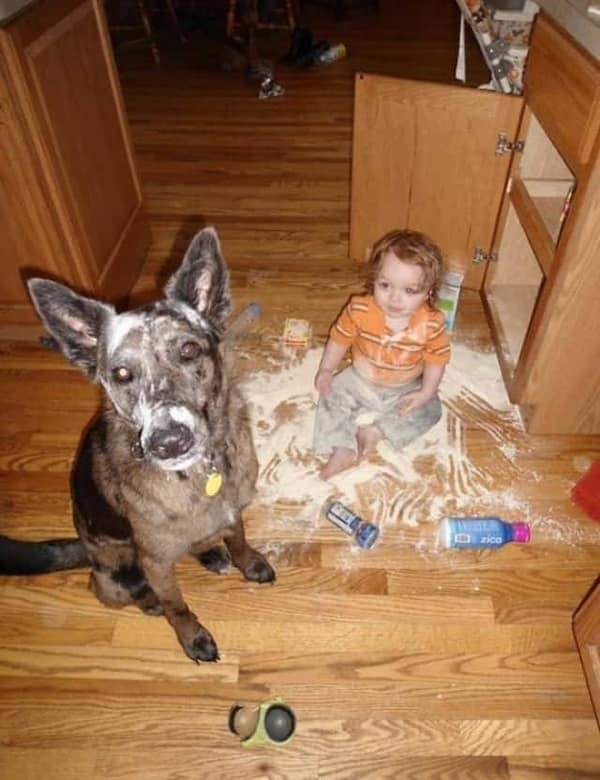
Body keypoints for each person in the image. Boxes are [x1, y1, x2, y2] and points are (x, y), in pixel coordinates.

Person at [313, 229, 451, 480]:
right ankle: (341, 447)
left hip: (404, 387)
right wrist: (326, 370)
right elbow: (339, 339)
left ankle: (375, 432)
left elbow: (436, 359)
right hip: (359, 379)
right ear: (374, 279)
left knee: (431, 410)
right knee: (329, 396)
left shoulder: (432, 323)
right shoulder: (359, 309)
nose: (395, 298)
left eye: (410, 291)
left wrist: (426, 391)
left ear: (429, 291)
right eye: (385, 285)